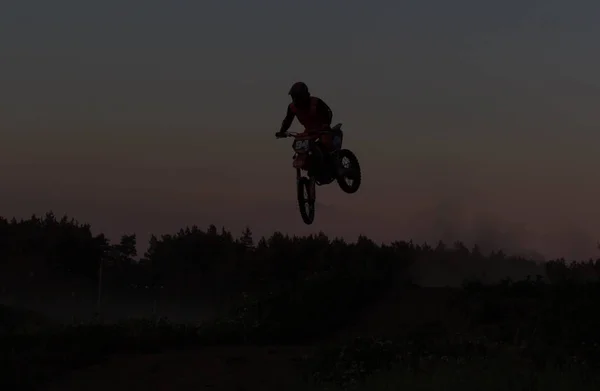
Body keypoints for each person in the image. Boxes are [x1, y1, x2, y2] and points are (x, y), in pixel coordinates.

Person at [275, 82, 337, 152]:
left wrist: (325, 125)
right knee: (302, 148)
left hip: (322, 130)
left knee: (326, 143)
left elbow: (328, 113)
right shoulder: (292, 107)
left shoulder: (316, 103)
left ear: (305, 95)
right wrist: (282, 131)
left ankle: (332, 158)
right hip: (308, 131)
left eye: (298, 97)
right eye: (294, 97)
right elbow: (288, 120)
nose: (296, 100)